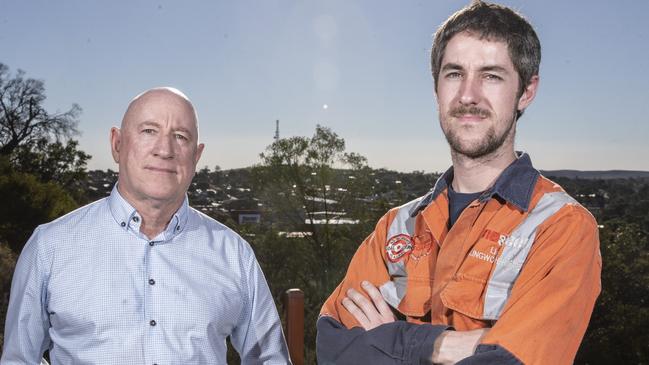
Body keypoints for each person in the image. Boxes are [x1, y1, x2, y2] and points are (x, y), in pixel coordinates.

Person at [316, 2, 601, 364]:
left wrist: (393, 340)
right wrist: (446, 346)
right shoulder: (395, 227)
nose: (468, 95)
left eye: (491, 75)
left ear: (526, 92)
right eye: (454, 74)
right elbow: (333, 347)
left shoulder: (560, 227)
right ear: (436, 89)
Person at [1, 87, 291, 364]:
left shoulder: (234, 254)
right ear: (117, 144)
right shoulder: (50, 247)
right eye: (149, 131)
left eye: (180, 136)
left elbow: (269, 359)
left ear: (196, 156)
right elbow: (20, 359)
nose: (164, 149)